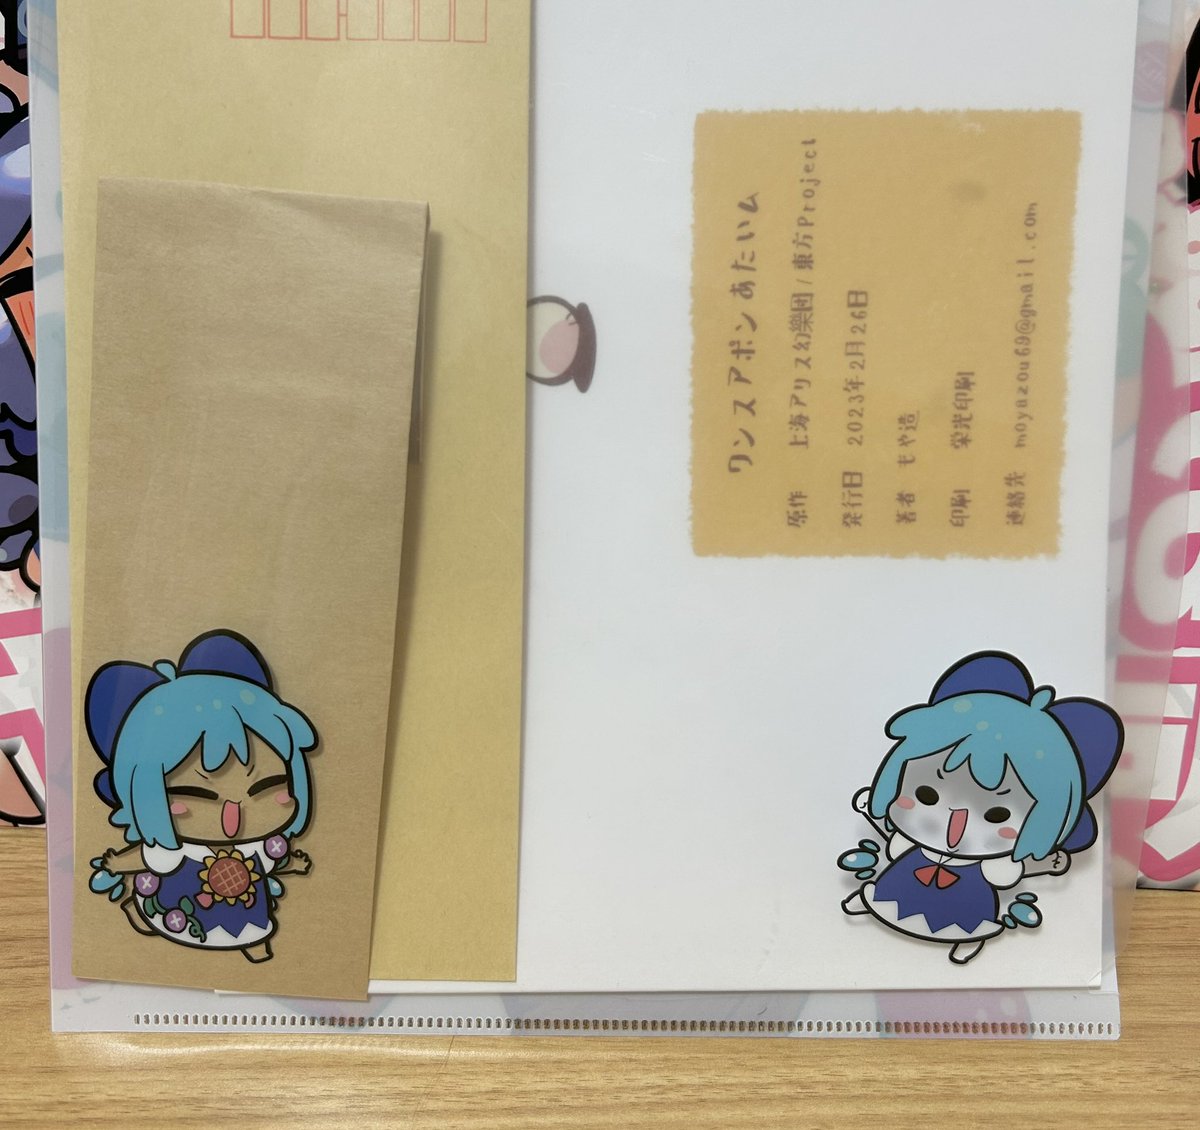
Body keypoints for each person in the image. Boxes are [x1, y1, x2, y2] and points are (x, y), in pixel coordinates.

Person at [839, 652, 1121, 965]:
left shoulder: (997, 864)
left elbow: (1005, 873)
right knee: (890, 893)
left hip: (968, 900)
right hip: (902, 881)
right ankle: (873, 902)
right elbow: (894, 844)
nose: (954, 827)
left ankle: (968, 936)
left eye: (996, 815)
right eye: (926, 794)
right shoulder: (910, 838)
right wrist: (875, 810)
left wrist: (1042, 862)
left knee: (965, 918)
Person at [87, 630, 318, 963]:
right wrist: (117, 864)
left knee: (253, 926)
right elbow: (150, 858)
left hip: (248, 900)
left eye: (267, 786)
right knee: (171, 922)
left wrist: (291, 863)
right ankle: (145, 918)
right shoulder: (175, 847)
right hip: (186, 904)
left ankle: (257, 947)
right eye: (197, 794)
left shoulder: (257, 844)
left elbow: (272, 855)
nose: (233, 812)